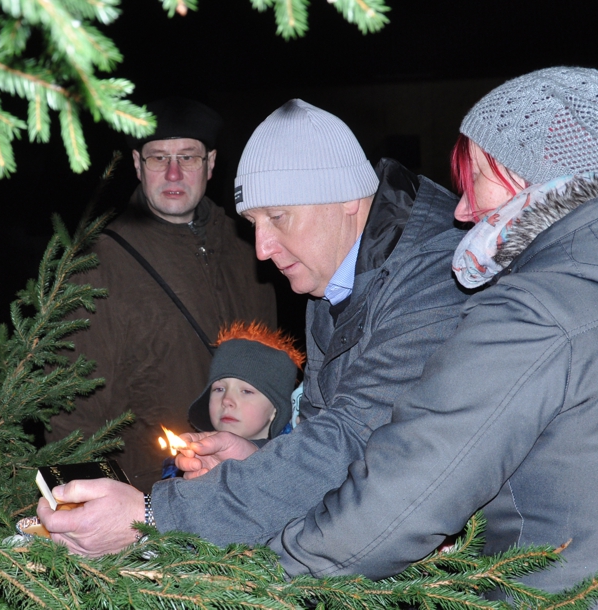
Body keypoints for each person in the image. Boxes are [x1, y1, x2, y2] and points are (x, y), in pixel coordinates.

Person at [264, 67, 598, 607]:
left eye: (476, 178)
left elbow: (396, 504)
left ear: (532, 177)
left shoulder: (538, 311)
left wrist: (259, 571)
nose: (461, 210)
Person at [37, 99, 470, 554]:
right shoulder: (329, 277)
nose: (261, 250)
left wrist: (155, 517)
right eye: (253, 223)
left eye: (277, 217)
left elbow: (353, 442)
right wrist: (257, 460)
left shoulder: (433, 276)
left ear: (346, 196)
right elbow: (322, 436)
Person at [46, 98, 277, 492]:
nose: (173, 173)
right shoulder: (100, 262)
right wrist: (80, 504)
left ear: (211, 163)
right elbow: (71, 412)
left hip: (246, 483)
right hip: (150, 491)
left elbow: (276, 374)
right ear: (138, 164)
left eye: (188, 157)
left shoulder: (251, 247)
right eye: (158, 158)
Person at [186, 321, 304, 442]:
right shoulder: (195, 451)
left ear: (275, 409)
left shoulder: (297, 452)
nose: (226, 400)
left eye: (246, 391)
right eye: (219, 389)